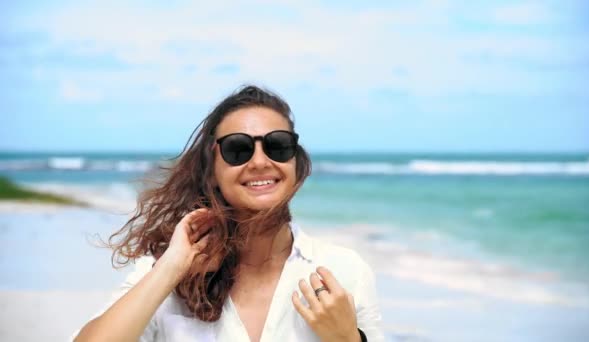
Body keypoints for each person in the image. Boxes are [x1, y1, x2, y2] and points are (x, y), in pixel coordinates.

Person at [74, 85, 383, 341]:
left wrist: (348, 339)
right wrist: (170, 269)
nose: (260, 161)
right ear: (212, 171)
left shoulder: (344, 271)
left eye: (278, 146)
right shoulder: (168, 271)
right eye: (238, 148)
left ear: (296, 163)